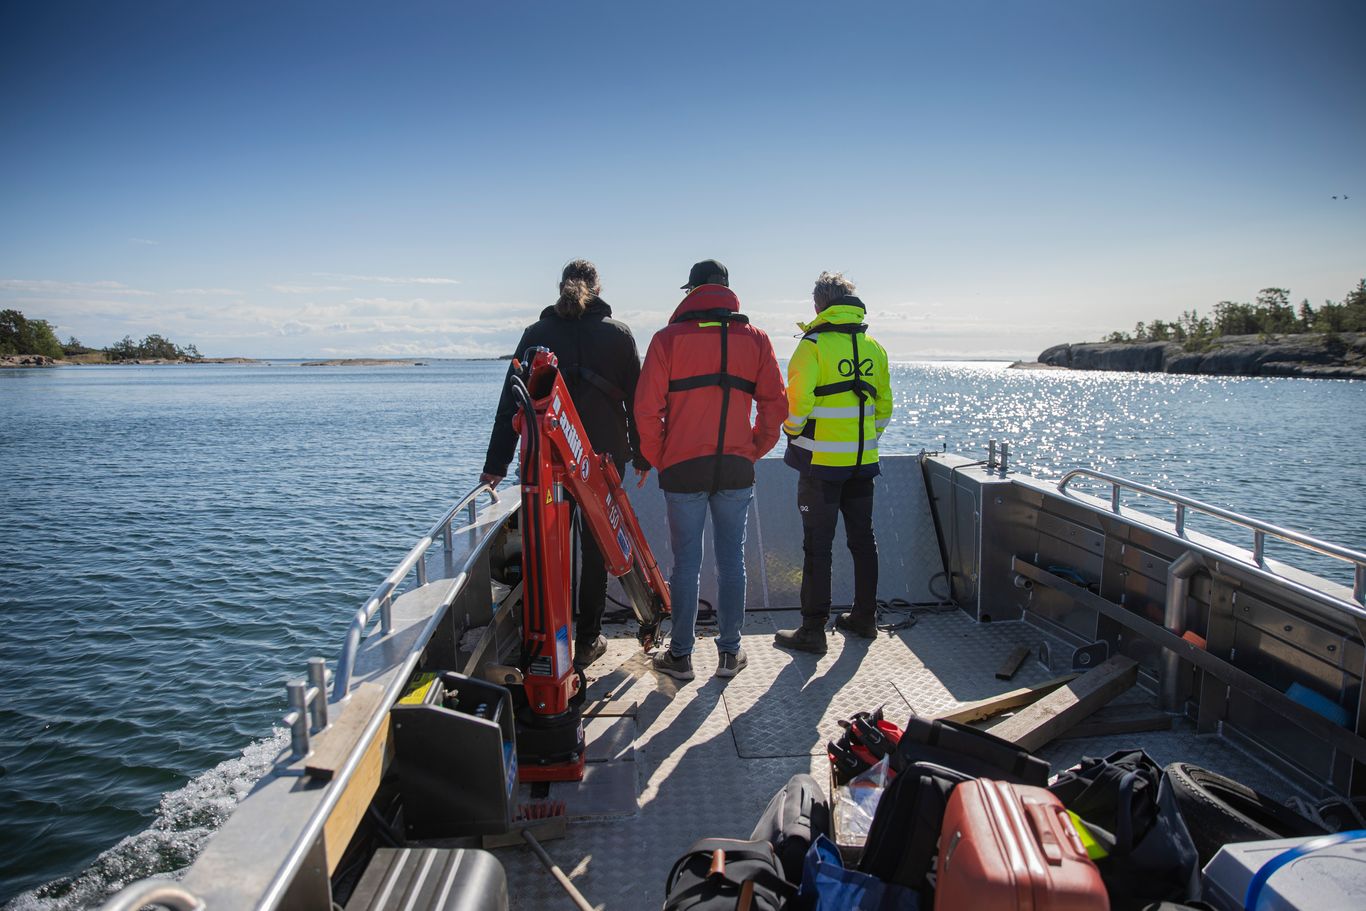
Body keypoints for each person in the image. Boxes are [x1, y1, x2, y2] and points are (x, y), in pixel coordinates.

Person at [480, 260, 649, 669]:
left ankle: (549, 637)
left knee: (547, 550)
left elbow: (511, 405)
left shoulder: (536, 335)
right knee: (596, 553)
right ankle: (589, 639)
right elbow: (637, 404)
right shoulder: (619, 335)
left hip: (546, 462)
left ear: (560, 287)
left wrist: (495, 467)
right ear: (598, 288)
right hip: (603, 461)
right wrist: (643, 455)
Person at [634, 259, 786, 681]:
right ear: (727, 290)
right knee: (731, 561)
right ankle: (730, 654)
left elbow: (646, 410)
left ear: (692, 292)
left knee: (686, 564)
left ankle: (681, 658)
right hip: (736, 467)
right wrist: (753, 449)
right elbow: (776, 406)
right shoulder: (756, 340)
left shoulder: (667, 340)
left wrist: (662, 456)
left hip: (683, 467)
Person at [774, 272, 893, 655]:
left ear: (818, 306)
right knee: (863, 541)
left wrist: (791, 432)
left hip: (820, 466)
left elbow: (798, 405)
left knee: (817, 547)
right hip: (863, 463)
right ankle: (865, 617)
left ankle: (813, 630)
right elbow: (884, 408)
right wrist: (864, 440)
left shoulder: (812, 346)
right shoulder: (874, 346)